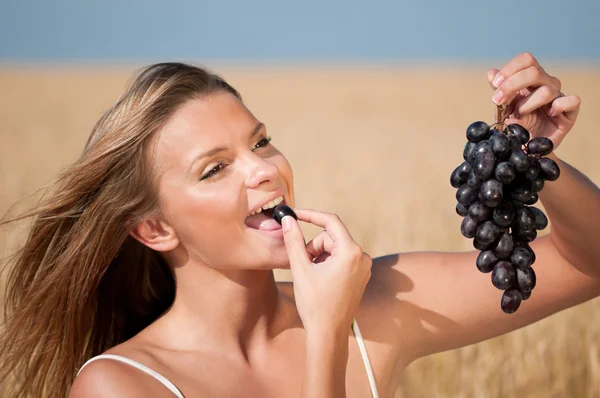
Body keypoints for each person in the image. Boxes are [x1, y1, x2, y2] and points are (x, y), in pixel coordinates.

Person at [0, 52, 597, 398]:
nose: (265, 169)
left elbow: (586, 264)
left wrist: (528, 158)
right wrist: (327, 337)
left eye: (262, 142)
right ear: (154, 229)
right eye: (214, 169)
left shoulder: (375, 305)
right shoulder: (122, 387)